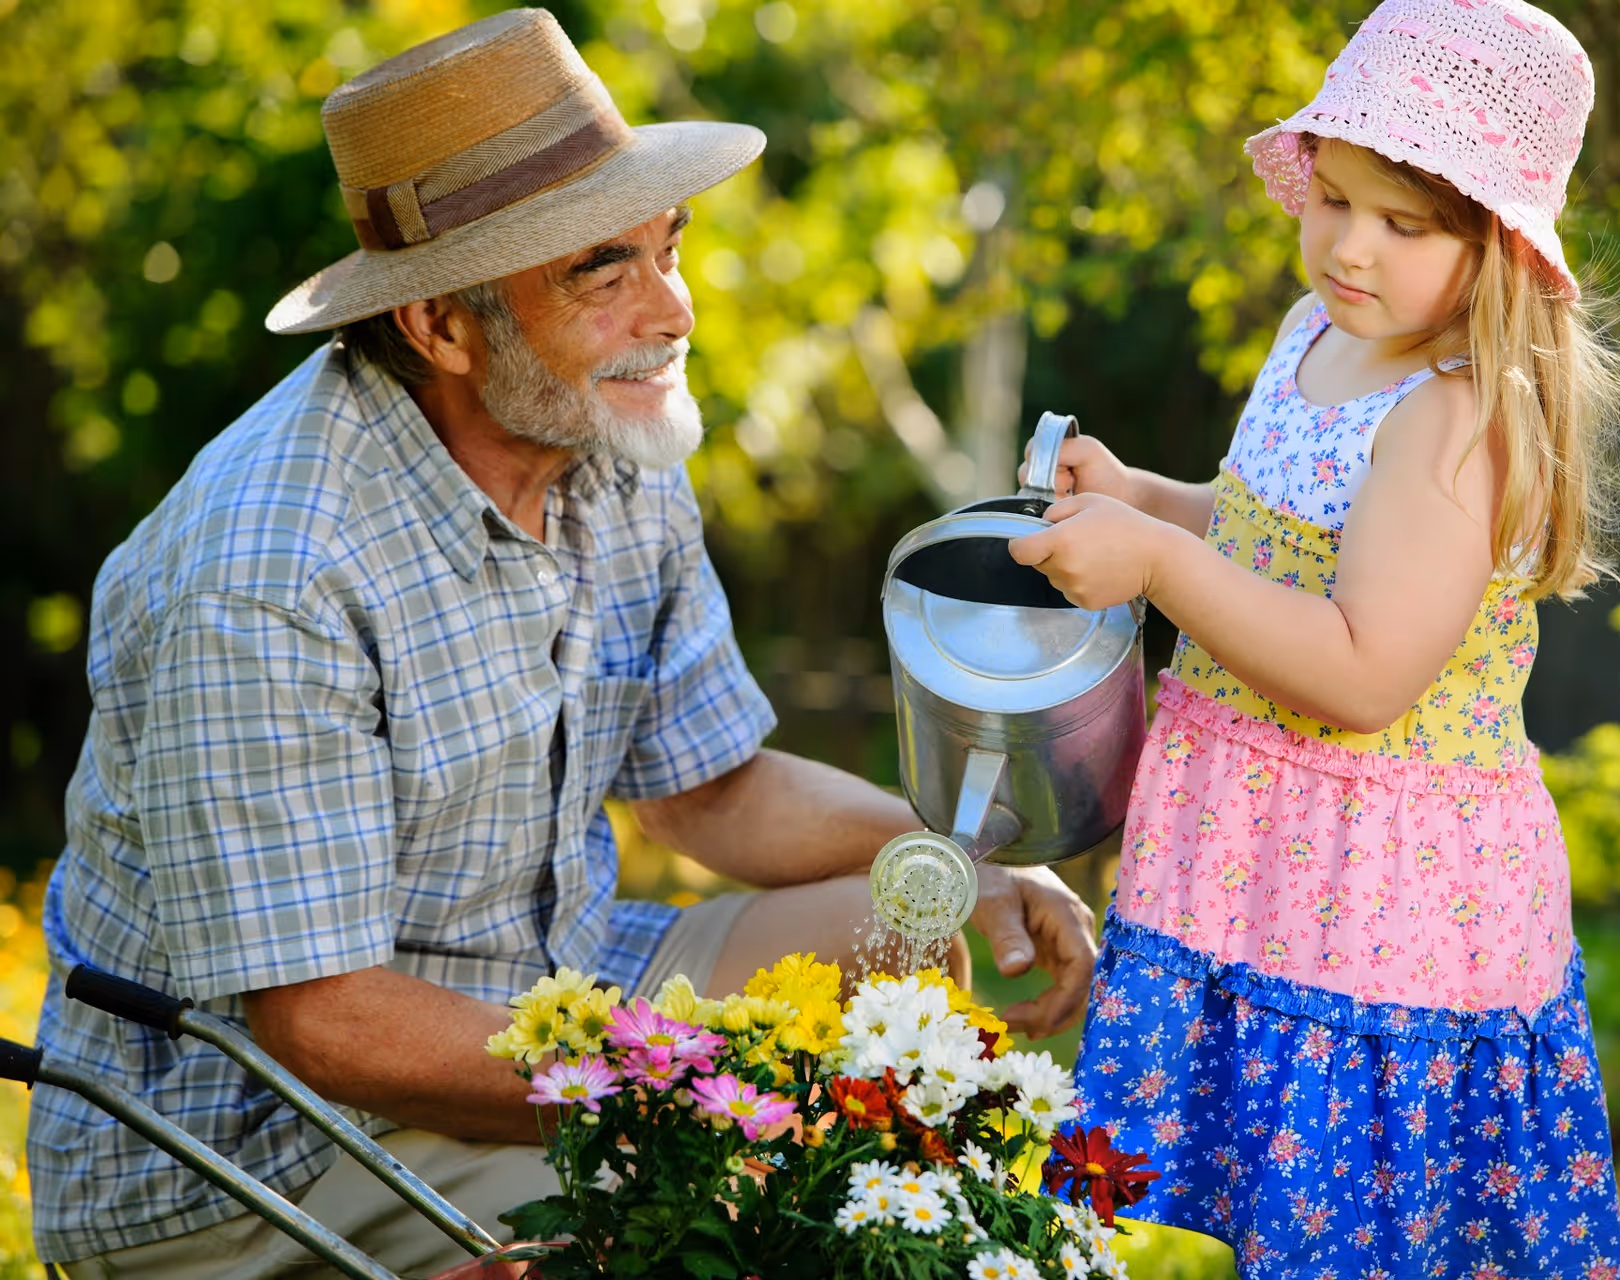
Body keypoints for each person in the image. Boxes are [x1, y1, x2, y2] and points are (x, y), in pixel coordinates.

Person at [27, 10, 1095, 1277]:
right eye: (603, 271)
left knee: (906, 919)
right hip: (261, 1143)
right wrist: (696, 1100)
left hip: (559, 987)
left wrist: (970, 863)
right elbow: (328, 1020)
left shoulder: (614, 443)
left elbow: (712, 789)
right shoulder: (272, 570)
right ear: (439, 328)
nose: (676, 309)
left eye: (668, 249)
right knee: (756, 1196)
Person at [1008, 0, 1620, 1274]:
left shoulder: (1456, 414)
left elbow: (1363, 669)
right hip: (1262, 865)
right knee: (1271, 1214)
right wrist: (1150, 502)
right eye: (1334, 197)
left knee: (1360, 1231)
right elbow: (1272, 537)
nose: (1349, 245)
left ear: (1499, 245)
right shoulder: (1322, 334)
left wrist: (1164, 566)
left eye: (1403, 224)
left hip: (1380, 896)